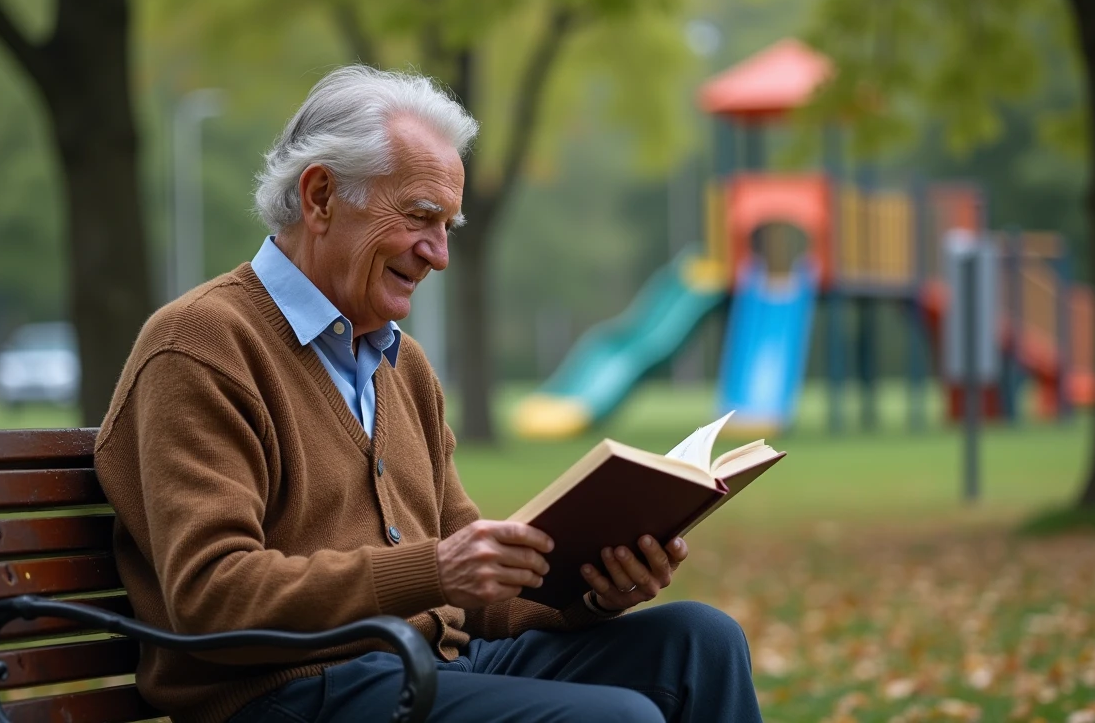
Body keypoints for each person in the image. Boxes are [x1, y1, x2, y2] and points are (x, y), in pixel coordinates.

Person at [95, 65, 761, 723]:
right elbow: (211, 593)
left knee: (702, 644)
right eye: (419, 217)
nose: (438, 253)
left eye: (448, 226)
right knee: (617, 719)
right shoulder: (202, 343)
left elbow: (479, 593)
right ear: (322, 197)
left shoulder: (401, 366)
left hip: (426, 670)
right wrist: (432, 571)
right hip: (291, 692)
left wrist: (593, 594)